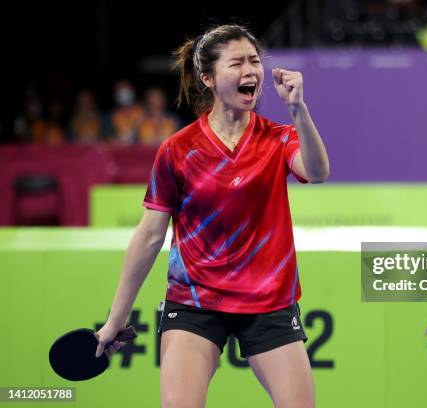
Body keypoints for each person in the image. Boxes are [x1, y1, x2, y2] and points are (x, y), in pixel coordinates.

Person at [94, 24, 329, 408]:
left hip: (268, 299)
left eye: (254, 60)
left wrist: (298, 108)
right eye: (236, 63)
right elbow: (150, 236)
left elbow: (317, 172)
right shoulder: (177, 150)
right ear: (208, 77)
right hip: (195, 301)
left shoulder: (278, 137)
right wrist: (115, 318)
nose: (250, 70)